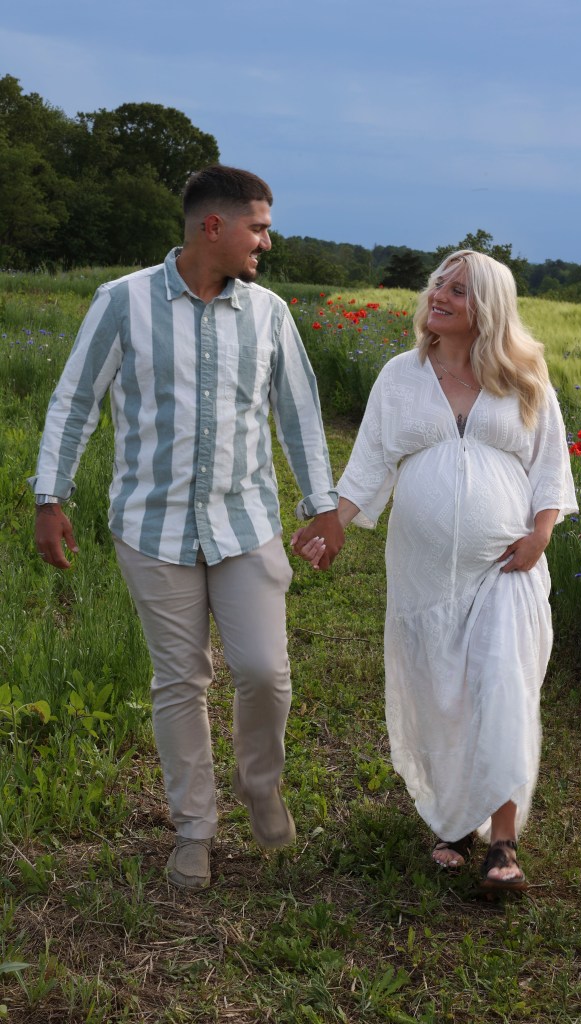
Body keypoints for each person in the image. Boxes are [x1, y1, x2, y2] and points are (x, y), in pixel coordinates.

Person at [30, 164, 344, 891]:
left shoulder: (269, 313)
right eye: (258, 228)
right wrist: (51, 497)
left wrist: (321, 504)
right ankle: (194, 829)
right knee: (180, 680)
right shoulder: (122, 302)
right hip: (151, 526)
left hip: (246, 524)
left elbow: (298, 415)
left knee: (265, 671)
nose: (266, 242)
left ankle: (258, 783)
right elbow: (74, 402)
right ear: (214, 226)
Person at [293, 250, 577, 891]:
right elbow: (370, 460)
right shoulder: (402, 376)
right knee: (440, 691)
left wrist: (540, 535)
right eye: (439, 284)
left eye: (460, 290)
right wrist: (334, 522)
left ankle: (501, 842)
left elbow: (550, 465)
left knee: (501, 688)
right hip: (423, 575)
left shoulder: (524, 377)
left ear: (489, 309)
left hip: (505, 567)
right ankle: (453, 818)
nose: (439, 295)